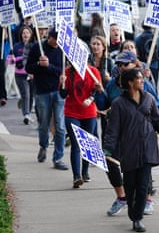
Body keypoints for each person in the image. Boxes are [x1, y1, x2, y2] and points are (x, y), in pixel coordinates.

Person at [103, 67, 159, 232]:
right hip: (129, 150)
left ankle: (137, 219)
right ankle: (133, 212)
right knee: (130, 186)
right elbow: (112, 130)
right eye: (139, 78)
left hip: (147, 147)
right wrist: (108, 148)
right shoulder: (118, 104)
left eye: (142, 78)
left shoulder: (149, 99)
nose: (142, 81)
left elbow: (158, 119)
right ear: (130, 82)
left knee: (143, 186)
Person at [104, 50, 159, 217]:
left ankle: (146, 199)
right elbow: (104, 103)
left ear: (134, 64)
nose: (122, 67)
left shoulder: (145, 84)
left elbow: (158, 108)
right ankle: (122, 197)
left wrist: (157, 127)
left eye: (125, 64)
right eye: (119, 64)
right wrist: (100, 96)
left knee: (144, 166)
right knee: (111, 163)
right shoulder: (112, 84)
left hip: (142, 135)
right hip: (120, 135)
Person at [25, 27, 68, 170]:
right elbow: (28, 68)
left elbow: (61, 70)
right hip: (42, 91)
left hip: (58, 91)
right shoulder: (38, 48)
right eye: (55, 40)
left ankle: (58, 158)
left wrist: (48, 66)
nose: (57, 43)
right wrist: (38, 64)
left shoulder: (62, 51)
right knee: (43, 124)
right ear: (49, 37)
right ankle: (43, 145)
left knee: (60, 126)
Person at [59, 62, 102, 188]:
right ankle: (76, 176)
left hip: (89, 112)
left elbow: (96, 91)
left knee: (87, 143)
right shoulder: (66, 72)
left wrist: (92, 97)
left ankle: (85, 171)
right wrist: (62, 84)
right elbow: (63, 95)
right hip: (72, 112)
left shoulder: (93, 71)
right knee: (76, 143)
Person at [12, 25, 35, 124]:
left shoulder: (34, 45)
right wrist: (13, 59)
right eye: (23, 33)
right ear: (21, 35)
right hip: (20, 75)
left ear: (31, 34)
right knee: (26, 94)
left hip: (32, 74)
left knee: (31, 95)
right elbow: (9, 60)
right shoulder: (16, 47)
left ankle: (28, 113)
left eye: (27, 33)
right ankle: (25, 114)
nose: (25, 35)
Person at [134, 22, 159, 89]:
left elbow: (135, 53)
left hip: (141, 65)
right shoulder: (157, 37)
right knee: (153, 84)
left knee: (141, 85)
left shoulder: (137, 38)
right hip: (154, 65)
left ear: (142, 26)